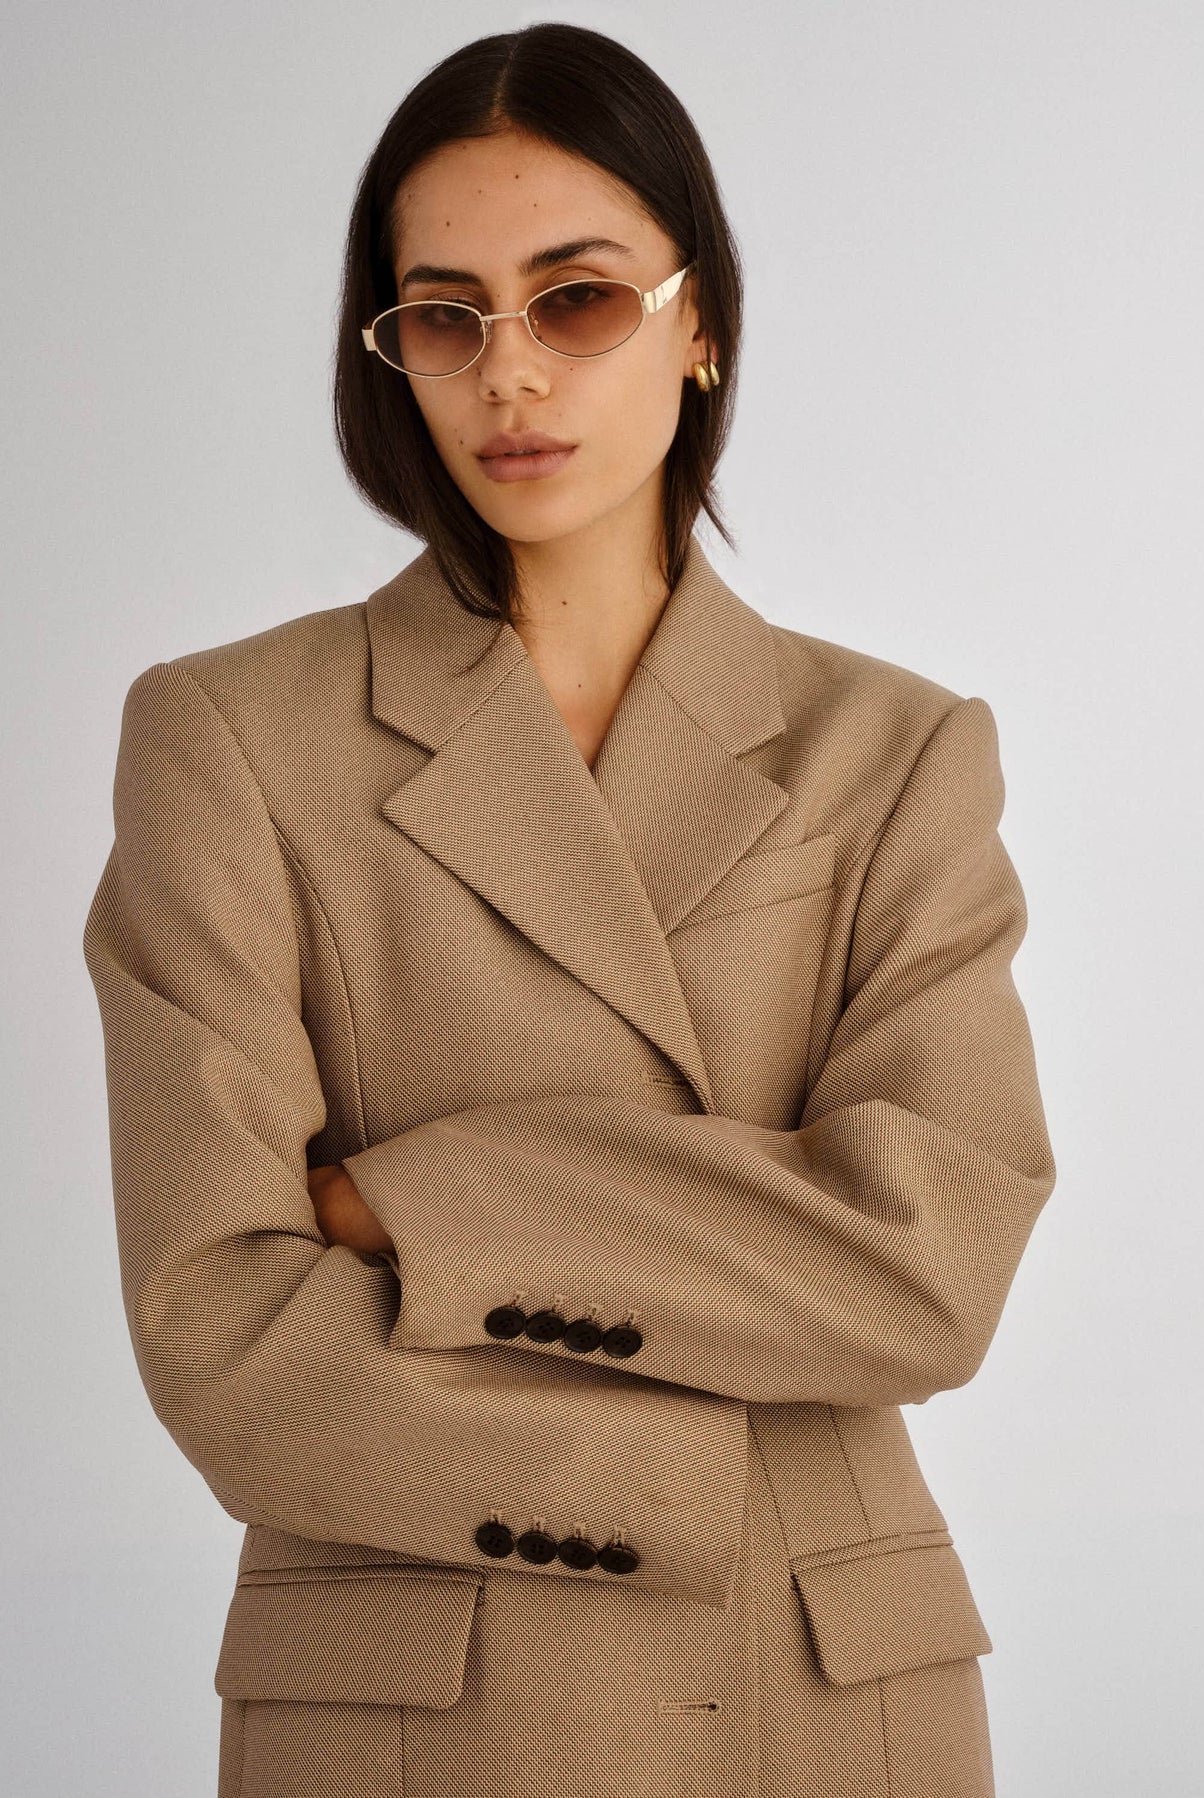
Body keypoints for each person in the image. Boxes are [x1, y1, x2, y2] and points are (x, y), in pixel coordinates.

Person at [81, 23, 1057, 1798]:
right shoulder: (229, 738)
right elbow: (220, 1322)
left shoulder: (898, 751)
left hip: (821, 1692)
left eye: (578, 299)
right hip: (409, 1701)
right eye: (444, 315)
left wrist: (431, 1200)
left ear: (701, 325)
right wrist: (692, 1455)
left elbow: (935, 1254)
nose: (508, 374)